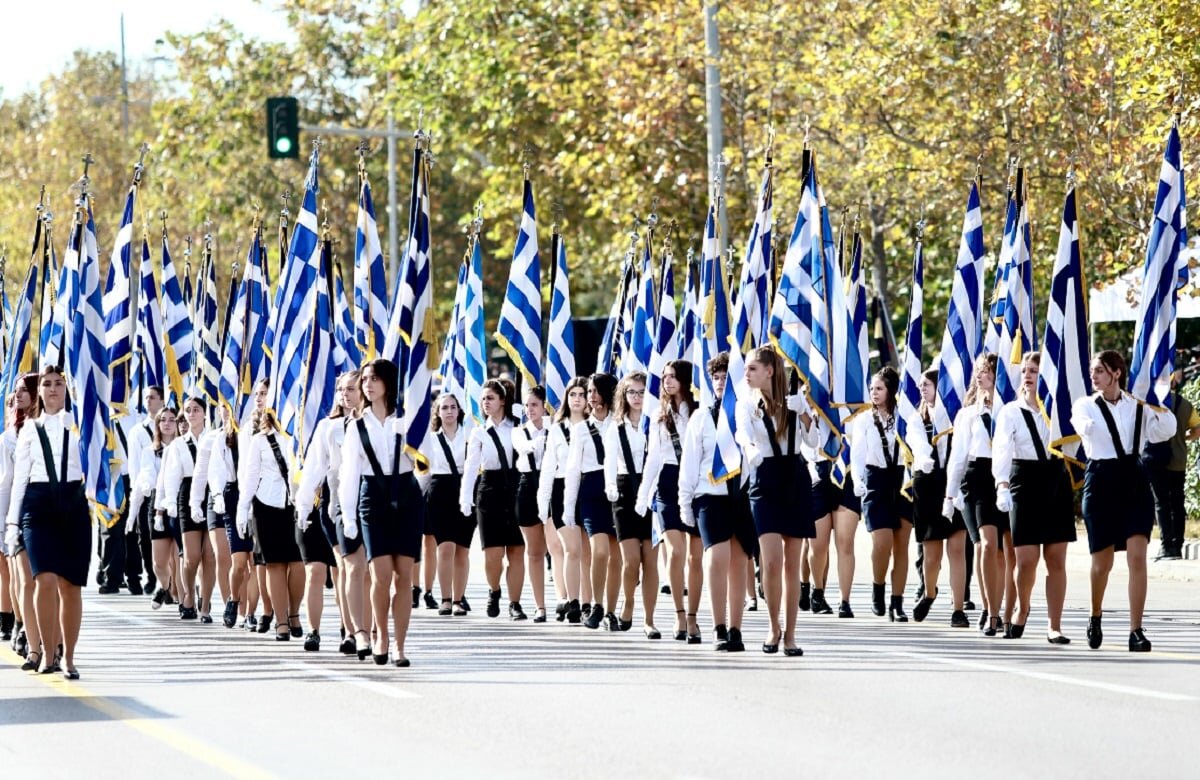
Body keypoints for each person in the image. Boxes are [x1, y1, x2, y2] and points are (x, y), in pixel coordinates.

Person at [1071, 350, 1175, 652]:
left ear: (1116, 373)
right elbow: (1083, 427)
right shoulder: (1085, 405)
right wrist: (1088, 426)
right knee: (1102, 563)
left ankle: (1136, 630)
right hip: (1101, 480)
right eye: (1093, 371)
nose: (1094, 377)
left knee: (1137, 558)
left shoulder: (1138, 405)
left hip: (1133, 479)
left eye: (1100, 371)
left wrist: (1159, 405)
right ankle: (1095, 614)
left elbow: (1164, 432)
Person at [5, 367, 89, 678]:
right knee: (44, 579)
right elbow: (19, 481)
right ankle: (46, 652)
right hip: (38, 505)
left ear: (67, 389)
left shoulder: (82, 424)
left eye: (59, 384)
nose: (53, 389)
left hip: (73, 501)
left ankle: (68, 657)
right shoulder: (29, 429)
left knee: (70, 585)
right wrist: (12, 526)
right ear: (39, 391)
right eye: (47, 384)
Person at [338, 359, 423, 666]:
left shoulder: (407, 420)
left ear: (388, 382)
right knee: (381, 574)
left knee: (404, 576)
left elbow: (425, 462)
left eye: (374, 379)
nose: (368, 385)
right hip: (373, 497)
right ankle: (381, 636)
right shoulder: (356, 427)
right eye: (365, 380)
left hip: (406, 495)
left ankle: (399, 644)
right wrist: (348, 516)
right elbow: (348, 475)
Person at [737, 346, 819, 656]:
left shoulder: (795, 400)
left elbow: (814, 442)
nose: (747, 374)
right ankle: (774, 626)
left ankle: (791, 634)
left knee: (792, 563)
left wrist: (804, 412)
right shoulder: (747, 404)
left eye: (753, 368)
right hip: (765, 478)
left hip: (794, 478)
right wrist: (750, 451)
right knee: (770, 561)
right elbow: (743, 434)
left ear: (770, 371)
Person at [992, 353, 1076, 642]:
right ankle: (1023, 608)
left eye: (1035, 371)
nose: (1028, 376)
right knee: (1026, 560)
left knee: (1056, 559)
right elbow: (1002, 448)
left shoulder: (1059, 411)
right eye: (1025, 371)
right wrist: (1001, 484)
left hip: (1055, 479)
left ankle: (1054, 625)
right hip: (1023, 480)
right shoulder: (1011, 412)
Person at [679, 352, 756, 652]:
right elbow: (689, 462)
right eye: (717, 378)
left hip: (740, 496)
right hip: (709, 496)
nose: (722, 382)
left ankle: (736, 628)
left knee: (739, 561)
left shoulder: (747, 413)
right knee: (717, 557)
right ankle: (718, 626)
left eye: (727, 377)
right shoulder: (701, 417)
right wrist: (685, 503)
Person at [294, 371, 363, 652]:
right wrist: (303, 504)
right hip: (334, 505)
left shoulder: (373, 424)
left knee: (364, 572)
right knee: (347, 567)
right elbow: (313, 468)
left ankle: (360, 627)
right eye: (341, 389)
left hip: (368, 502)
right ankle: (347, 631)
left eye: (351, 389)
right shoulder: (327, 427)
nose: (345, 395)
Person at [945, 353, 1014, 636]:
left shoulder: (1009, 410)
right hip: (977, 477)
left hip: (1006, 476)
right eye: (978, 371)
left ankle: (1003, 609)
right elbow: (958, 456)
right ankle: (990, 611)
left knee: (1004, 552)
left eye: (986, 371)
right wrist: (949, 495)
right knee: (987, 544)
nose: (980, 375)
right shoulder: (968, 414)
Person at [636, 359, 703, 642]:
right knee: (675, 552)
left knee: (695, 557)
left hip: (696, 483)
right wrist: (643, 495)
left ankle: (693, 618)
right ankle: (678, 614)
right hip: (666, 483)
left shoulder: (699, 412)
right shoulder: (658, 415)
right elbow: (653, 457)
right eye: (665, 377)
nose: (668, 381)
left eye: (674, 377)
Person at [235, 405, 305, 643]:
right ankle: (281, 621)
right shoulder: (260, 440)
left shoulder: (301, 433)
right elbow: (250, 475)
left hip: (297, 503)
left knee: (297, 564)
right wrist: (242, 509)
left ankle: (294, 612)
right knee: (274, 564)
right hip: (267, 503)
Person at [849, 366, 914, 622]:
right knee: (882, 542)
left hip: (901, 480)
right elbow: (857, 454)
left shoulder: (904, 416)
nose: (874, 393)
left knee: (902, 545)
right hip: (876, 478)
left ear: (891, 391)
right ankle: (878, 587)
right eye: (872, 389)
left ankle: (897, 603)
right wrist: (857, 479)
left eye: (879, 388)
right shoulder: (864, 419)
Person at [905, 368, 969, 627]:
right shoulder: (916, 419)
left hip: (952, 481)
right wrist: (923, 457)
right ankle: (930, 592)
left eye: (928, 384)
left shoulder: (957, 418)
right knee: (932, 556)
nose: (923, 389)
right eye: (921, 385)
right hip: (928, 484)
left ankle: (958, 609)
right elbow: (918, 443)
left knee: (957, 549)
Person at [461, 379, 527, 620]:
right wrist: (465, 498)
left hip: (516, 487)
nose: (485, 403)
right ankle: (494, 589)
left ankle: (515, 603)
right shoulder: (480, 431)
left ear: (503, 401)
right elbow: (471, 466)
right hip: (490, 490)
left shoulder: (519, 427)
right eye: (483, 399)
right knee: (493, 553)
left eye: (490, 398)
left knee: (517, 551)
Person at [603, 372, 659, 638]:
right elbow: (610, 462)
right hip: (624, 491)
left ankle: (649, 620)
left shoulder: (655, 423)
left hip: (650, 491)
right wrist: (610, 486)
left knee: (650, 560)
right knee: (631, 561)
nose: (636, 397)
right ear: (623, 396)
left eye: (641, 392)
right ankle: (628, 602)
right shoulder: (616, 426)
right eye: (631, 392)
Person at [564, 372, 620, 630]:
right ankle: (596, 604)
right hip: (591, 491)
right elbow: (573, 468)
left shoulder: (618, 425)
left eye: (596, 391)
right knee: (599, 551)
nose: (592, 397)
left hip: (618, 490)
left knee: (617, 556)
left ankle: (611, 610)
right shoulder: (580, 430)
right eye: (589, 392)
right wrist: (568, 506)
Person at [538, 377, 592, 623]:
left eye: (582, 394)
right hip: (561, 489)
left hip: (589, 486)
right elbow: (548, 467)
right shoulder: (557, 428)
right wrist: (543, 501)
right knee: (572, 549)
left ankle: (589, 602)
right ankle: (573, 601)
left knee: (588, 552)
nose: (578, 398)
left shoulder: (595, 426)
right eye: (573, 394)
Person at [418, 391, 474, 617]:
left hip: (464, 489)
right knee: (445, 547)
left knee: (462, 549)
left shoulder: (470, 436)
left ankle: (460, 599)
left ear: (459, 411)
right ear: (437, 413)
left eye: (453, 407)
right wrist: (413, 498)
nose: (449, 411)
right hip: (439, 492)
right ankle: (446, 599)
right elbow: (422, 473)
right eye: (444, 408)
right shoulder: (429, 440)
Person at [158, 397, 214, 622]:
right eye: (188, 411)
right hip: (187, 492)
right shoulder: (178, 445)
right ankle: (189, 595)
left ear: (204, 414)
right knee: (191, 557)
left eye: (196, 410)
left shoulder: (213, 439)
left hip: (210, 491)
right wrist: (169, 502)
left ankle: (206, 605)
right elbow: (171, 476)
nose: (191, 414)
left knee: (210, 556)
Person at [206, 403, 259, 630]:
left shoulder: (258, 433)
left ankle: (250, 613)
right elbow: (215, 469)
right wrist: (217, 495)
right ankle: (234, 599)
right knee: (238, 563)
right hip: (233, 496)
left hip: (259, 495)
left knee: (255, 562)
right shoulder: (223, 438)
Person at [0, 375, 41, 666]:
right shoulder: (9, 437)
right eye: (16, 393)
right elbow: (7, 482)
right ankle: (21, 624)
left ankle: (44, 634)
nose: (19, 397)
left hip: (46, 509)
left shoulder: (51, 426)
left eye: (25, 391)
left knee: (45, 578)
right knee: (21, 578)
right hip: (16, 511)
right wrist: (5, 521)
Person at [513, 385, 558, 622]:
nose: (530, 410)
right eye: (527, 405)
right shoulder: (519, 431)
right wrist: (538, 442)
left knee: (556, 546)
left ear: (543, 406)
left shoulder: (555, 429)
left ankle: (564, 599)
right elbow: (523, 446)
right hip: (528, 486)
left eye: (534, 405)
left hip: (551, 485)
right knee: (534, 551)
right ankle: (540, 606)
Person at [1146, 370, 1200, 561]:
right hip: (1178, 458)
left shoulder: (1151, 403)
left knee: (1161, 502)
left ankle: (1166, 545)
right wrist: (1182, 438)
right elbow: (1197, 429)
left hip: (1155, 458)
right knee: (1177, 502)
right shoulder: (1185, 404)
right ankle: (1177, 544)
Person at [125, 385, 166, 598]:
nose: (148, 401)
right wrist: (136, 493)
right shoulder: (137, 431)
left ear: (161, 400)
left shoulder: (171, 424)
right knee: (146, 537)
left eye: (153, 397)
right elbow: (134, 466)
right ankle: (152, 574)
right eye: (146, 397)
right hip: (147, 491)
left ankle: (166, 580)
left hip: (168, 491)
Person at [189, 405, 229, 623]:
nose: (227, 410)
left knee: (245, 562)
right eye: (223, 406)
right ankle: (230, 605)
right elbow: (201, 473)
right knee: (221, 557)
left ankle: (246, 609)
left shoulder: (251, 435)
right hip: (217, 499)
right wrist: (195, 502)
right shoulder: (211, 438)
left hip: (245, 500)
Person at [143, 408, 181, 610]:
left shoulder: (182, 446)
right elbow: (148, 475)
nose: (167, 424)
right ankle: (164, 584)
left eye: (172, 420)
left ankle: (185, 596)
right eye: (162, 420)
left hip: (179, 501)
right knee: (159, 561)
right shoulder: (150, 451)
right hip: (158, 503)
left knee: (179, 556)